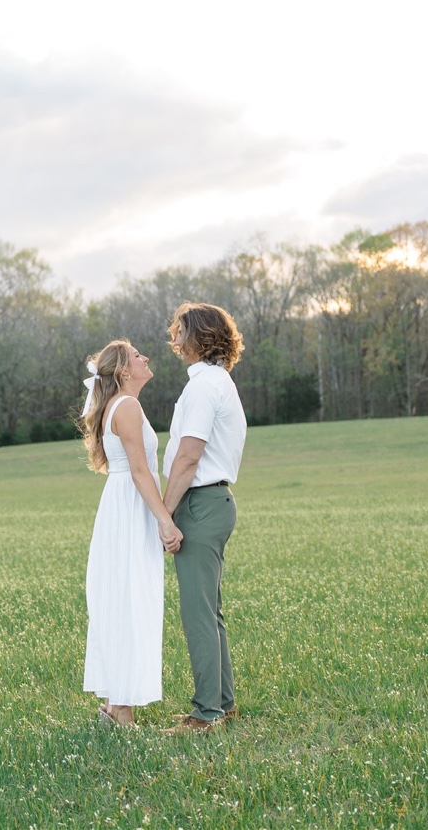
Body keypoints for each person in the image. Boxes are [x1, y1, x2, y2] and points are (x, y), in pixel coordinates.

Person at [79, 339, 184, 727]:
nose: (146, 358)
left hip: (123, 506)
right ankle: (121, 710)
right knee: (130, 599)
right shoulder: (127, 406)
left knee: (123, 598)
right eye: (138, 355)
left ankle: (115, 704)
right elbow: (141, 471)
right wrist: (165, 520)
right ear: (124, 370)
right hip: (130, 509)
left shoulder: (118, 406)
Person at [161, 302, 246, 734]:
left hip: (199, 503)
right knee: (210, 612)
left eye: (180, 332)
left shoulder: (202, 388)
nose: (173, 340)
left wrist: (165, 512)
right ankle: (224, 703)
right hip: (216, 502)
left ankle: (205, 713)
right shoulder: (219, 382)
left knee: (198, 613)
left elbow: (189, 456)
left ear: (200, 337)